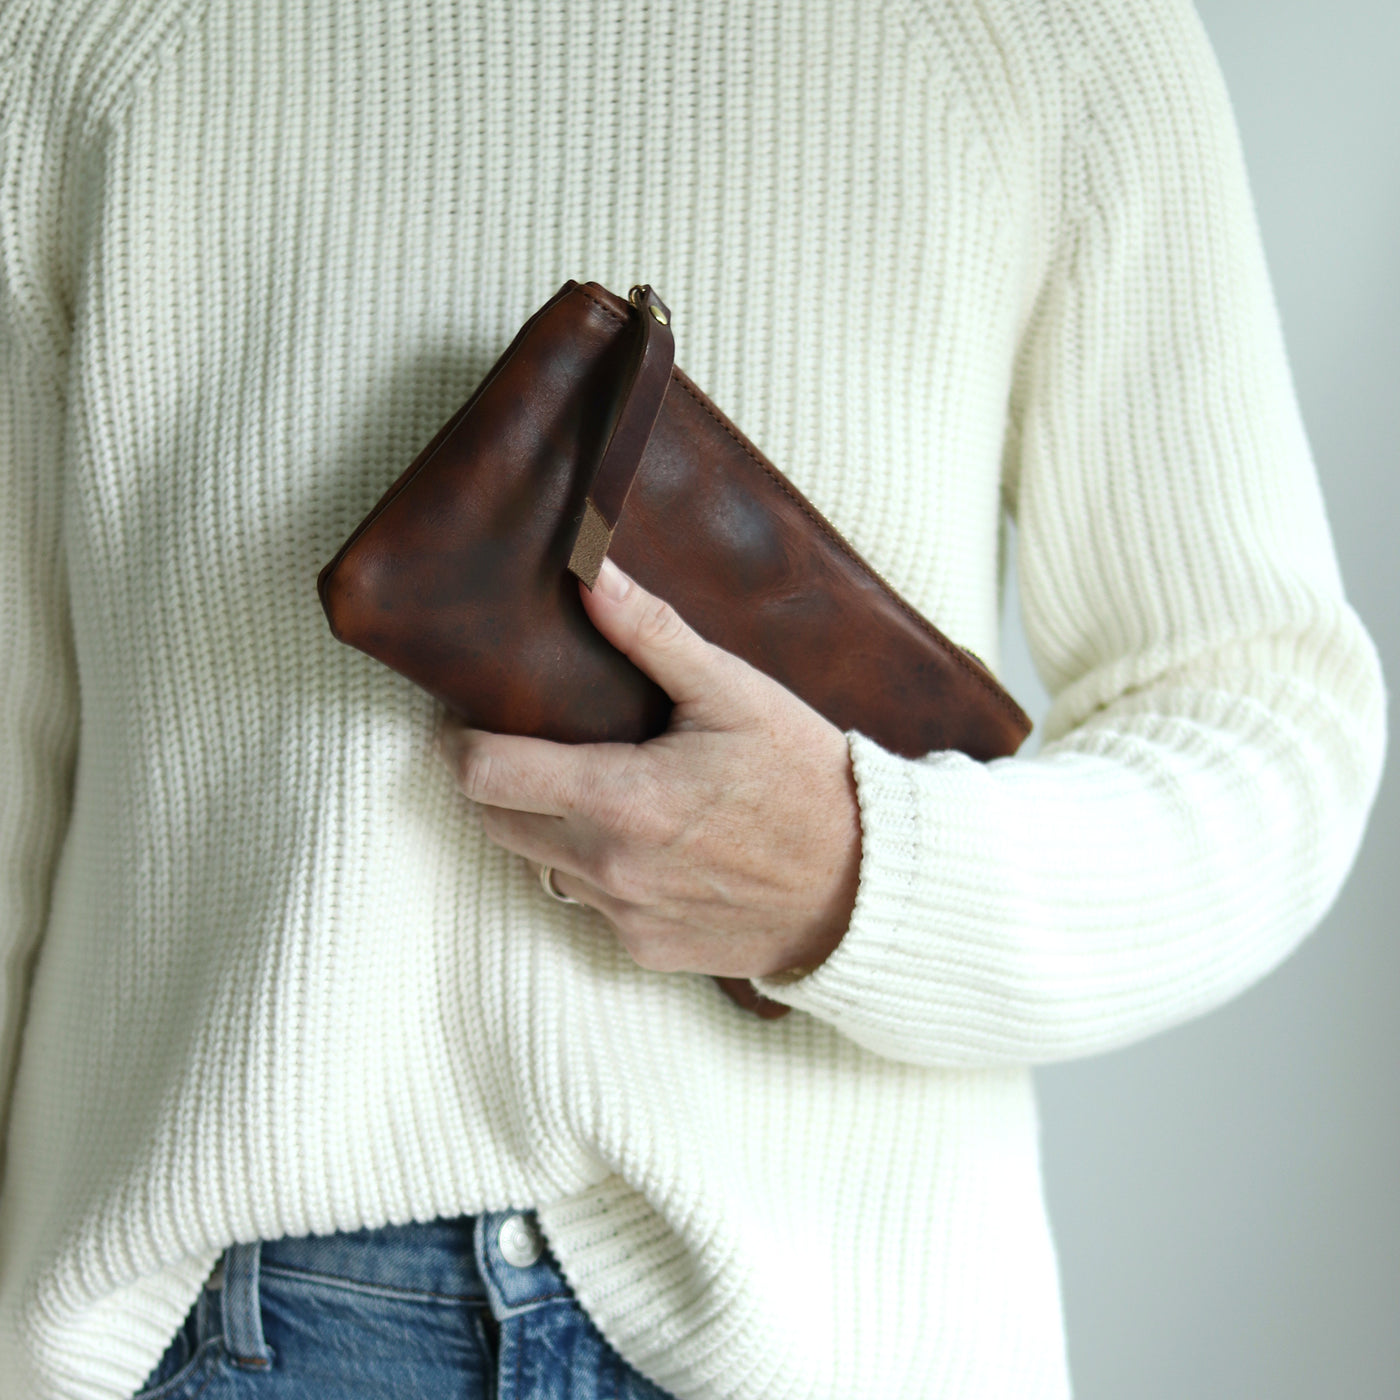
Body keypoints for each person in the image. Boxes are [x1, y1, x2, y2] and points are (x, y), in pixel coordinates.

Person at [0, 0, 1386, 1396]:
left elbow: (1270, 729)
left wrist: (866, 874)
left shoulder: (1046, 35)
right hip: (222, 1317)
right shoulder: (88, 37)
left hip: (844, 1328)